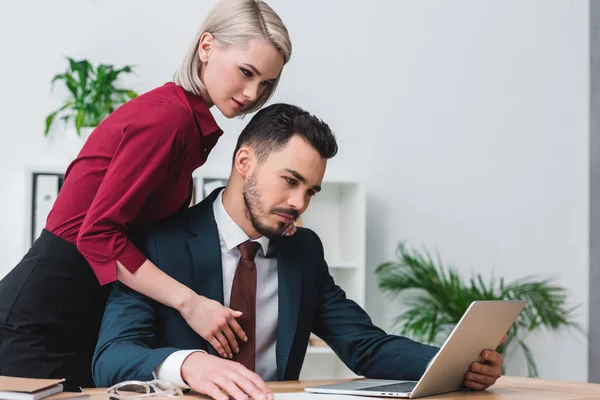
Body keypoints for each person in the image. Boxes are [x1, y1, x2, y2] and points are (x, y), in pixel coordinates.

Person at [92, 104, 505, 400]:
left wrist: (456, 361)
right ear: (245, 162)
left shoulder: (303, 250)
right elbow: (111, 358)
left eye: (310, 191)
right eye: (289, 181)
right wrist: (189, 365)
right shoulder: (160, 242)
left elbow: (364, 346)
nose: (299, 203)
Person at [0, 0, 292, 389]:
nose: (253, 92)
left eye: (266, 83)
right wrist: (191, 303)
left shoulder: (187, 123)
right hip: (39, 317)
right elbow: (98, 236)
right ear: (207, 46)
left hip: (82, 314)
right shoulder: (168, 119)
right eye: (246, 72)